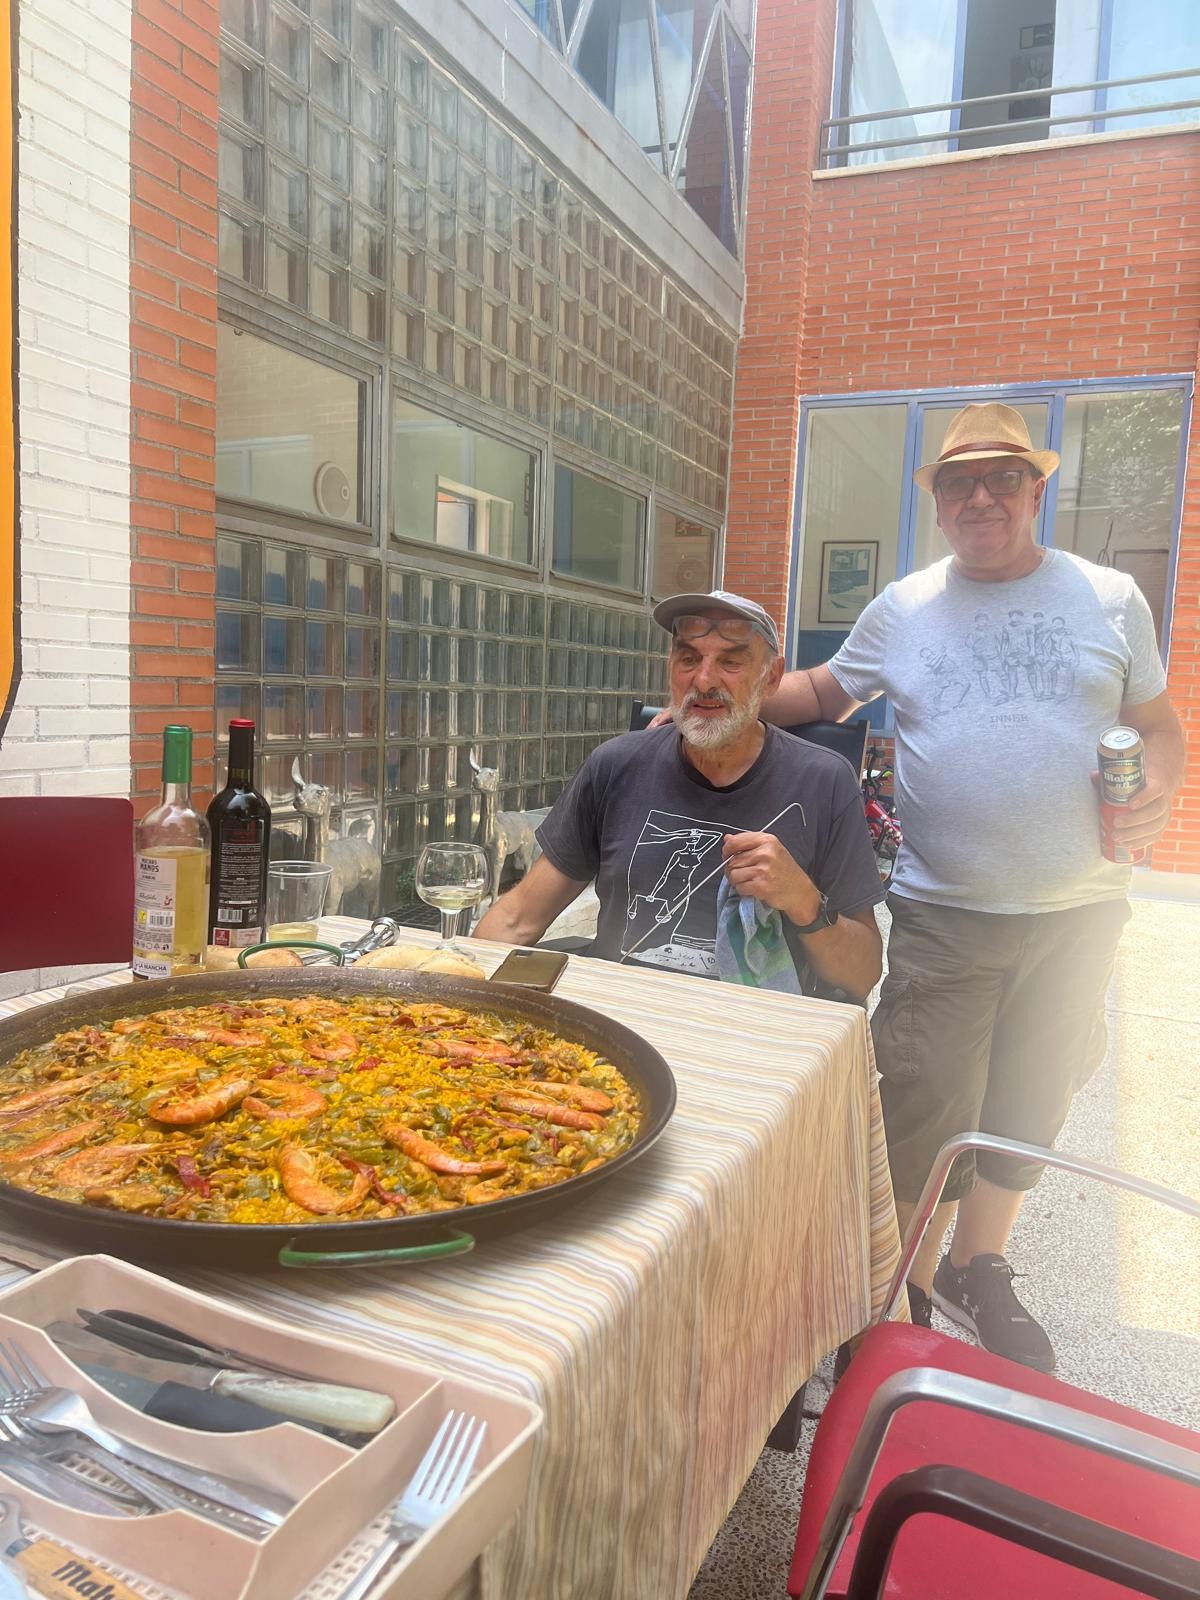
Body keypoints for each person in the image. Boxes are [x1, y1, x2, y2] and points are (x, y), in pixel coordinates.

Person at [660, 404, 1186, 1371]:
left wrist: (1159, 781)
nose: (979, 495)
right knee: (923, 1099)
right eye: (958, 483)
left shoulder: (1109, 599)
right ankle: (893, 1288)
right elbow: (821, 693)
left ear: (1036, 489)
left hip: (1080, 909)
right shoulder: (905, 605)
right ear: (938, 504)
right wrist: (714, 695)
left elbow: (1156, 725)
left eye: (1000, 478)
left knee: (1033, 1093)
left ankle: (982, 1264)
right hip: (947, 910)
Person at [475, 591, 884, 1001]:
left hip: (749, 1039)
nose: (704, 681)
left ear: (772, 678)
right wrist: (449, 998)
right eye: (689, 658)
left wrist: (804, 901)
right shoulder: (615, 766)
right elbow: (518, 918)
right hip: (614, 1026)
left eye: (731, 661)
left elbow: (862, 974)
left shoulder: (823, 782)